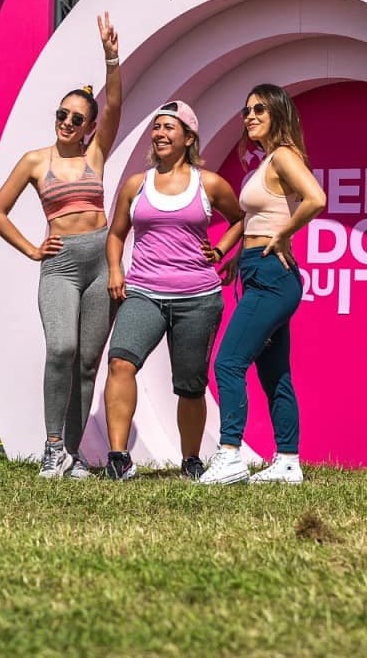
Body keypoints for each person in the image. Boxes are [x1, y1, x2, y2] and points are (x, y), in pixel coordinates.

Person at [0, 13, 121, 479]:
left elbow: (117, 104)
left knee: (87, 362)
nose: (66, 122)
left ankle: (74, 454)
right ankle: (51, 447)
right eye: (61, 115)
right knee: (61, 348)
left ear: (90, 125)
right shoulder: (33, 161)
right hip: (61, 265)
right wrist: (30, 248)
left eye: (76, 118)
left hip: (101, 261)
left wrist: (111, 58)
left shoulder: (94, 155)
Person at [103, 101, 244, 481]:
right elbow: (116, 234)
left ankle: (191, 460)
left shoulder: (209, 183)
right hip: (144, 292)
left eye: (169, 127)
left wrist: (221, 251)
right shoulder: (137, 184)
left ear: (188, 137)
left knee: (190, 384)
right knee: (120, 363)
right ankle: (118, 459)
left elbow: (239, 220)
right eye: (156, 127)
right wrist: (116, 270)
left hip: (198, 297)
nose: (160, 134)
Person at [200, 84, 326, 486]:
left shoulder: (284, 155)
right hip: (259, 270)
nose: (250, 115)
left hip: (273, 276)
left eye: (259, 109)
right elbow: (261, 218)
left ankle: (231, 456)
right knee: (275, 375)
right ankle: (288, 462)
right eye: (246, 109)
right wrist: (240, 254)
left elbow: (316, 198)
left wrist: (286, 233)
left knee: (227, 362)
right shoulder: (269, 160)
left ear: (277, 114)